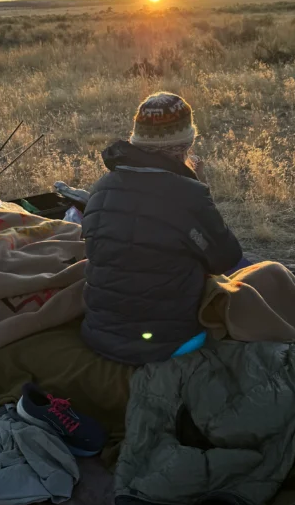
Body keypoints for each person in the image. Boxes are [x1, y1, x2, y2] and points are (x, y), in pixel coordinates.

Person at [81, 92, 242, 365]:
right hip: (169, 343)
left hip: (98, 335)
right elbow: (226, 258)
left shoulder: (101, 187)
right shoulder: (188, 195)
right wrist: (203, 191)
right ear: (184, 146)